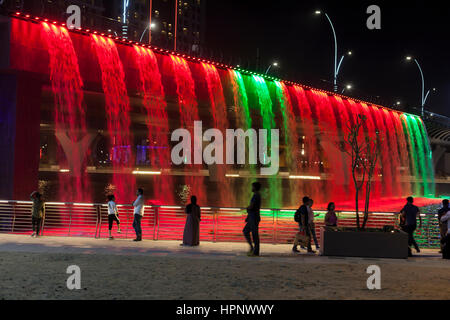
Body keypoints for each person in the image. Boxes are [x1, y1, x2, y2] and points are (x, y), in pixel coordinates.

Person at [243, 182, 261, 257]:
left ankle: (255, 251)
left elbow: (252, 206)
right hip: (252, 217)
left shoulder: (256, 195)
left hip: (253, 217)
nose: (251, 188)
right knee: (246, 231)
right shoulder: (257, 195)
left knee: (254, 234)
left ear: (255, 188)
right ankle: (252, 248)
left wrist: (247, 208)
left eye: (252, 187)